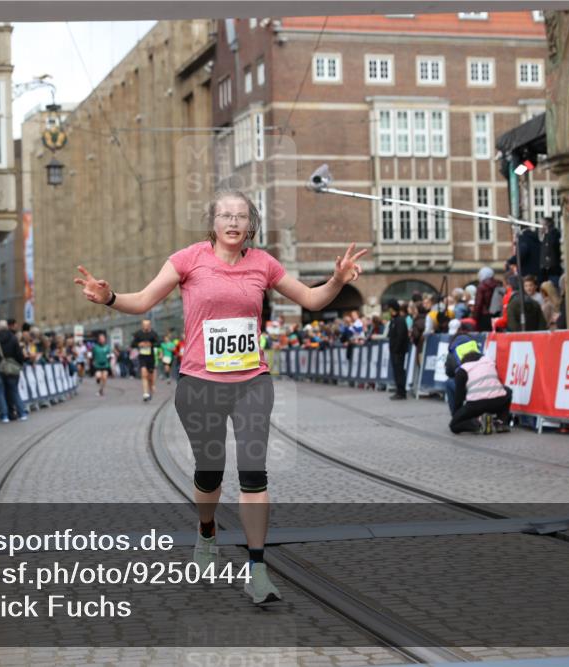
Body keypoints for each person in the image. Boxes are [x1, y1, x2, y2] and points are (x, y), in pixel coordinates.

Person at [74, 189, 366, 605]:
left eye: (242, 216)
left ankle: (257, 569)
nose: (233, 223)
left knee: (254, 473)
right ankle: (207, 529)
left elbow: (311, 299)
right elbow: (142, 301)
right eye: (225, 216)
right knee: (209, 472)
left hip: (252, 382)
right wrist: (110, 298)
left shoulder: (263, 263)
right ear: (211, 223)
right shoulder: (187, 260)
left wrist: (336, 279)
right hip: (200, 384)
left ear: (251, 224)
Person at [448, 336, 512, 435]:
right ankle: (501, 422)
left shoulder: (463, 370)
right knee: (508, 391)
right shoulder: (489, 361)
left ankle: (478, 425)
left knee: (453, 426)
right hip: (497, 402)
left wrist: (458, 416)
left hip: (476, 406)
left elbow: (459, 399)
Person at [0, 320, 28, 423]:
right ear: (7, 327)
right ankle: (22, 413)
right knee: (14, 391)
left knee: (0, 392)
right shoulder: (13, 338)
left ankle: (5, 416)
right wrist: (20, 363)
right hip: (12, 368)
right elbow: (19, 354)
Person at [385, 299, 409, 400]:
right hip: (394, 351)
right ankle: (399, 390)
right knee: (396, 371)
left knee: (399, 371)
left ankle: (401, 392)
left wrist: (396, 349)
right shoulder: (394, 320)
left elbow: (401, 336)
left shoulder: (400, 320)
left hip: (398, 351)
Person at [131, 320, 160, 401]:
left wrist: (151, 344)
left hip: (151, 357)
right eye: (144, 325)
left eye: (147, 325)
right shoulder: (138, 334)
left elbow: (159, 343)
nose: (146, 326)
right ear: (142, 325)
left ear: (150, 325)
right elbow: (132, 344)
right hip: (142, 357)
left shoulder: (153, 334)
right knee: (144, 374)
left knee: (150, 378)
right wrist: (139, 344)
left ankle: (150, 391)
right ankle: (145, 393)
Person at [472, 267, 499, 332]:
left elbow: (478, 303)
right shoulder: (497, 285)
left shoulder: (481, 286)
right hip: (496, 314)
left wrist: (475, 316)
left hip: (483, 316)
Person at [540, 217, 563, 289]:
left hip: (553, 269)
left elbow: (552, 248)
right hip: (546, 270)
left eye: (542, 225)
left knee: (554, 287)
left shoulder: (554, 234)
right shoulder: (546, 236)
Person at [91, 332, 112, 396]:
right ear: (99, 340)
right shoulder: (95, 347)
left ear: (105, 339)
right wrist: (93, 362)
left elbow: (109, 356)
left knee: (104, 377)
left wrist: (109, 360)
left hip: (105, 364)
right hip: (97, 365)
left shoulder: (107, 347)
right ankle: (98, 380)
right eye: (101, 338)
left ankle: (101, 390)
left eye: (103, 338)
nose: (102, 340)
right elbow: (92, 356)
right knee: (99, 376)